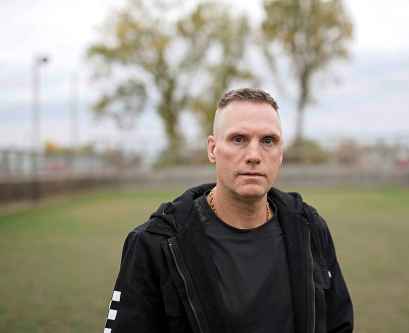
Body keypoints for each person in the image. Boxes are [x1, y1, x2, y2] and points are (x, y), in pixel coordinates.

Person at [103, 88, 353, 333]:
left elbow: (339, 324)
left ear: (281, 153)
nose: (254, 155)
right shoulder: (156, 244)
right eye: (238, 139)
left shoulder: (310, 229)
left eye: (268, 140)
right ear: (212, 149)